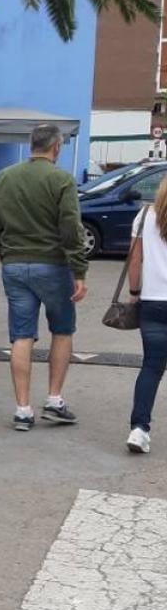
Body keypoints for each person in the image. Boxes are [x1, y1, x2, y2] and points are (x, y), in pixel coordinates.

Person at [0, 124, 87, 431]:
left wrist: (6, 253)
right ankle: (54, 401)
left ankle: (22, 409)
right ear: (56, 147)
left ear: (32, 145)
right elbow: (70, 227)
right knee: (62, 330)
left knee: (21, 335)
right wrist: (79, 270)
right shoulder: (61, 179)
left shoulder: (4, 177)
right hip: (53, 266)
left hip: (14, 266)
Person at [124, 179, 167, 453]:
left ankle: (139, 430)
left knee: (151, 366)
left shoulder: (144, 216)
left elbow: (135, 258)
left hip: (152, 302)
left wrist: (135, 290)